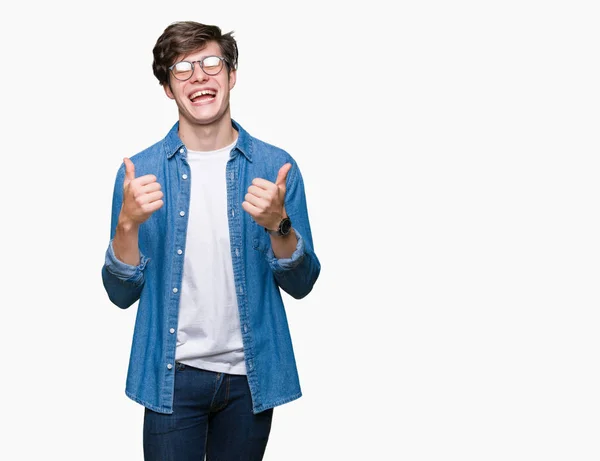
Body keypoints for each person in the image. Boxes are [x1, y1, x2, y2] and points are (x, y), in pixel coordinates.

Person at [101, 21, 320, 461]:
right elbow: (121, 294)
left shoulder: (276, 167)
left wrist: (280, 224)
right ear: (168, 88)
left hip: (249, 378)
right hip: (171, 377)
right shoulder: (140, 175)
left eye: (211, 63)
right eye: (182, 69)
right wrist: (127, 226)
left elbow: (302, 284)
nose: (199, 76)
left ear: (231, 75)